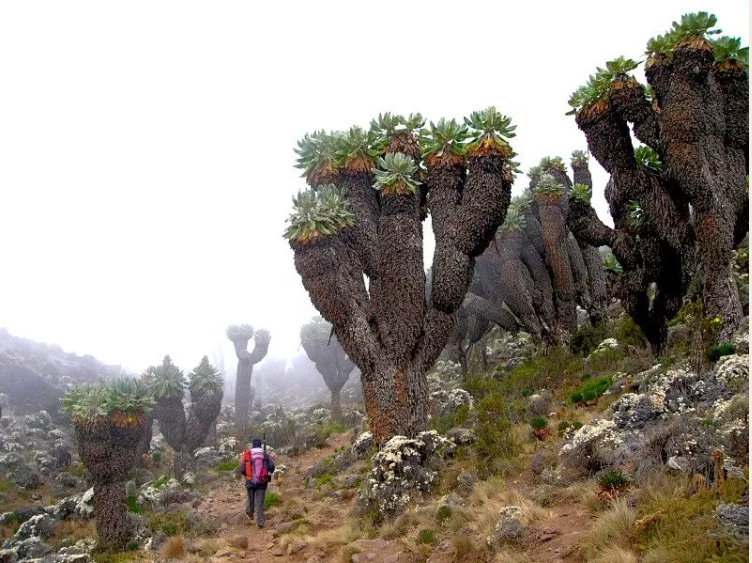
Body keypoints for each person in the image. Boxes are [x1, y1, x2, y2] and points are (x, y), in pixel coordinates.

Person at [238, 437, 275, 528]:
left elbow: (242, 468)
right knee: (260, 503)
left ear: (253, 445)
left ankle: (250, 512)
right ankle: (260, 522)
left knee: (250, 500)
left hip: (250, 481)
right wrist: (267, 474)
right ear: (260, 445)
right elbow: (272, 466)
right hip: (262, 482)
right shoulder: (265, 454)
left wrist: (247, 475)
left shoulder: (247, 454)